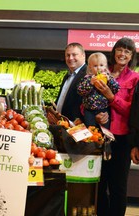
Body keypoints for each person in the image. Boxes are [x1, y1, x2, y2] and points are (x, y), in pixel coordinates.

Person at [95, 37, 139, 216]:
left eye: (127, 52)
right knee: (99, 184)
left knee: (118, 187)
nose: (122, 54)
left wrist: (111, 97)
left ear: (131, 57)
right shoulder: (101, 72)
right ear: (114, 52)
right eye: (120, 50)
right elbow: (87, 101)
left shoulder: (135, 78)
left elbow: (134, 111)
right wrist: (94, 114)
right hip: (98, 136)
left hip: (121, 139)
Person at [77, 52, 120, 128]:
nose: (99, 68)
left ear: (105, 66)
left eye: (101, 65)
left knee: (104, 129)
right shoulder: (87, 78)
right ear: (90, 67)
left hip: (103, 109)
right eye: (95, 66)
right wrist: (90, 83)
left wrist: (109, 80)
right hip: (89, 110)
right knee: (90, 129)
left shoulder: (108, 77)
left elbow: (116, 89)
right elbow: (80, 91)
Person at [56, 42, 87, 122]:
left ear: (83, 56)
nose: (70, 58)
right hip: (63, 124)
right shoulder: (67, 75)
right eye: (68, 55)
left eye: (74, 55)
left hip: (77, 126)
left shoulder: (87, 75)